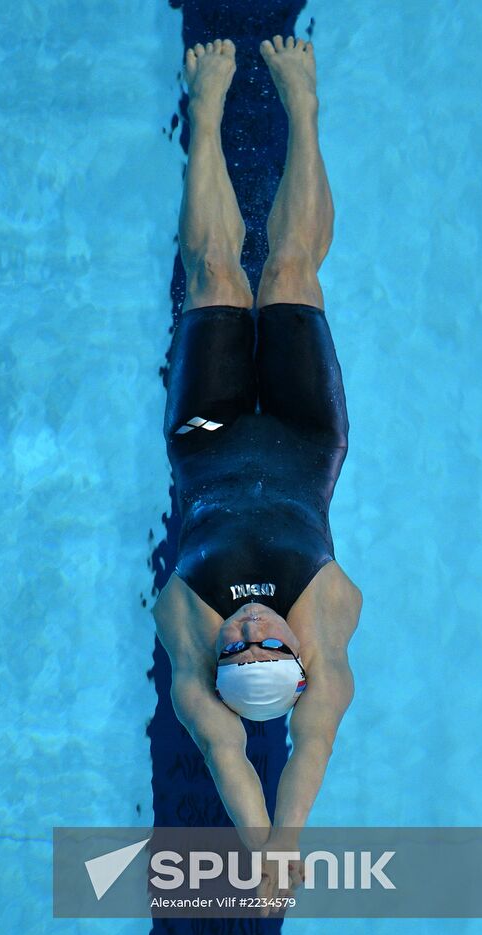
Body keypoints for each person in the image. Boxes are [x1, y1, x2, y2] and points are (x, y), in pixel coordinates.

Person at [153, 36, 362, 873]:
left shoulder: (186, 625)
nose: (248, 630)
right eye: (266, 647)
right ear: (296, 662)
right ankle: (302, 110)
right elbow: (305, 755)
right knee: (288, 270)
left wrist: (252, 844)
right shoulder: (328, 632)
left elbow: (222, 751)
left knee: (213, 277)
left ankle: (204, 115)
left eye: (237, 649)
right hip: (308, 438)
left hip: (206, 437)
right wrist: (285, 850)